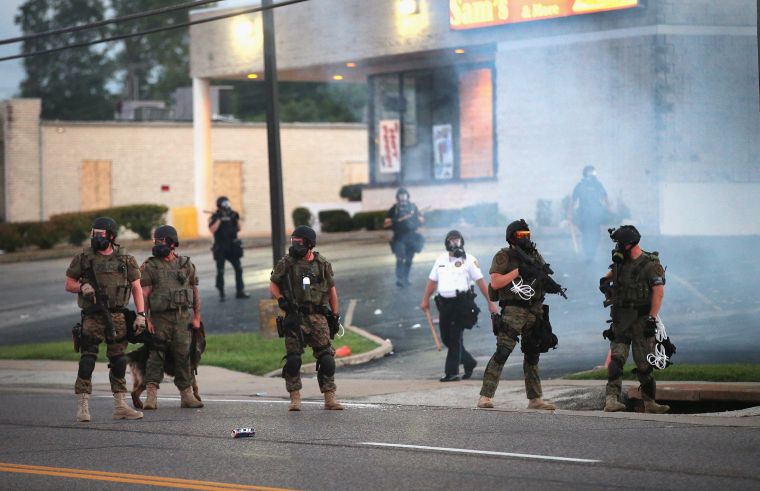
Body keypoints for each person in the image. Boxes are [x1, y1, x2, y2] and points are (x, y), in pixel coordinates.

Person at [64, 216, 145, 422]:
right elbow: (69, 283)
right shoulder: (84, 257)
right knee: (87, 360)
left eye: (99, 234)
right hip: (93, 317)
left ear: (111, 236)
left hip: (117, 317)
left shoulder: (125, 259)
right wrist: (81, 287)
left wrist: (141, 315)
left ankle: (120, 406)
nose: (95, 237)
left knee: (119, 361)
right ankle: (83, 406)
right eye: (93, 233)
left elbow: (136, 287)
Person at [477, 219, 559, 410]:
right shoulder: (503, 256)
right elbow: (496, 283)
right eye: (521, 235)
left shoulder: (535, 254)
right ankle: (485, 396)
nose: (526, 238)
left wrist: (548, 283)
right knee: (503, 351)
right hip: (514, 310)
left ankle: (535, 398)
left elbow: (542, 274)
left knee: (532, 353)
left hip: (534, 310)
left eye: (527, 235)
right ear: (512, 237)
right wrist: (518, 271)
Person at [270, 225, 343, 411]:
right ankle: (295, 399)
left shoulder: (322, 264)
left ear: (310, 244)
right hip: (295, 317)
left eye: (299, 242)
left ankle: (329, 398)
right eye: (293, 241)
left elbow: (332, 291)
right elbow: (273, 283)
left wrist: (335, 315)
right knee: (293, 360)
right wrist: (280, 300)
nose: (295, 245)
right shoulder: (286, 263)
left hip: (317, 316)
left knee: (327, 358)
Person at [600, 225, 670, 413]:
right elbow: (609, 276)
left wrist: (651, 319)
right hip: (621, 319)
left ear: (630, 243)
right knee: (617, 359)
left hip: (641, 319)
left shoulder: (651, 265)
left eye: (620, 243)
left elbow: (658, 293)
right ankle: (611, 400)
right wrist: (605, 283)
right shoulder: (620, 262)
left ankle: (650, 403)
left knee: (644, 363)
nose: (617, 247)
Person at [140, 225, 204, 410]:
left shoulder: (186, 265)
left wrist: (197, 317)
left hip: (182, 318)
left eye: (161, 241)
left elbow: (194, 292)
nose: (158, 244)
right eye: (156, 241)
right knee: (156, 355)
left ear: (172, 243)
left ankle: (187, 396)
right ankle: (150, 396)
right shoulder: (150, 266)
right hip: (160, 319)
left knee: (184, 356)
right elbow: (144, 294)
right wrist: (146, 319)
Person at [421, 230, 498, 382]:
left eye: (457, 240)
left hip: (462, 305)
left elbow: (481, 282)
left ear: (462, 241)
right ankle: (469, 362)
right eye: (452, 240)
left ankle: (452, 372)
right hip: (444, 305)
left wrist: (491, 302)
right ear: (446, 243)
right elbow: (432, 281)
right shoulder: (440, 260)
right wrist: (425, 300)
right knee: (447, 339)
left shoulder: (469, 260)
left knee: (455, 338)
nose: (455, 243)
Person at [568, 165, 612, 261]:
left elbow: (605, 196)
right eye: (590, 172)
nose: (592, 174)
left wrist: (609, 207)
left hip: (596, 215)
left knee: (596, 234)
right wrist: (570, 214)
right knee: (586, 234)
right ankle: (588, 253)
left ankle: (592, 252)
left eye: (593, 172)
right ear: (585, 173)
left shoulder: (598, 185)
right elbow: (573, 200)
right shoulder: (580, 186)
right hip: (584, 215)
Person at [209, 196, 249, 301]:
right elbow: (212, 230)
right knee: (221, 271)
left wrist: (235, 218)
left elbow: (239, 228)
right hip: (220, 248)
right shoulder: (215, 216)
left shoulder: (233, 214)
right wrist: (219, 218)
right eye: (224, 204)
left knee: (239, 269)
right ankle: (221, 292)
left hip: (232, 247)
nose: (226, 207)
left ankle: (240, 291)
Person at [384, 188, 425, 288]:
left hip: (412, 236)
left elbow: (422, 220)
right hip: (399, 237)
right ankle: (400, 279)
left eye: (404, 194)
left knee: (409, 259)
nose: (402, 196)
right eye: (400, 195)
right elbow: (386, 223)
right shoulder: (394, 208)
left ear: (407, 196)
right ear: (397, 197)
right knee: (400, 258)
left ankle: (406, 278)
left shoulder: (413, 207)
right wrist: (399, 219)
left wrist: (416, 218)